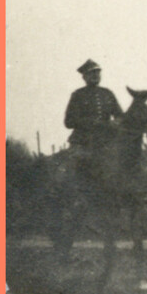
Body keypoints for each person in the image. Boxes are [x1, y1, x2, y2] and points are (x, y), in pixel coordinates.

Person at [58, 59, 124, 259]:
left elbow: (120, 116)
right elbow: (69, 122)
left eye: (98, 73)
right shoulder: (77, 96)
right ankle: (75, 199)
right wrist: (90, 123)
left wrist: (115, 123)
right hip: (84, 143)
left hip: (105, 144)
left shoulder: (108, 94)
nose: (95, 76)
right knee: (77, 172)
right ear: (84, 77)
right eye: (91, 73)